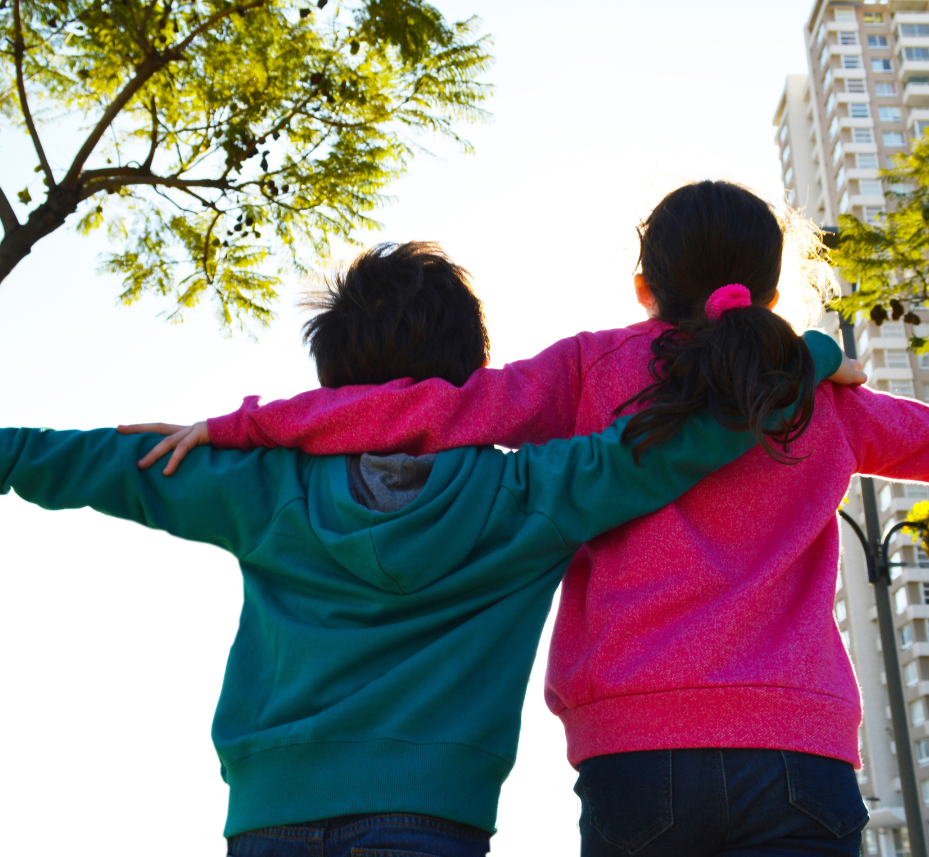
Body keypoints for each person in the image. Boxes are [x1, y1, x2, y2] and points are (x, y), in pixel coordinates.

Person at [133, 183, 929, 857]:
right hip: (800, 757)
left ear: (646, 286)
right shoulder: (814, 396)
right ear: (767, 281)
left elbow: (444, 410)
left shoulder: (596, 365)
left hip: (637, 758)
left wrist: (247, 426)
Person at [4, 240, 851, 857]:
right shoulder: (530, 495)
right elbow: (680, 443)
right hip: (432, 821)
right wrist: (802, 357)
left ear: (330, 379)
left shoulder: (252, 485)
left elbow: (67, 459)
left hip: (267, 817)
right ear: (473, 378)